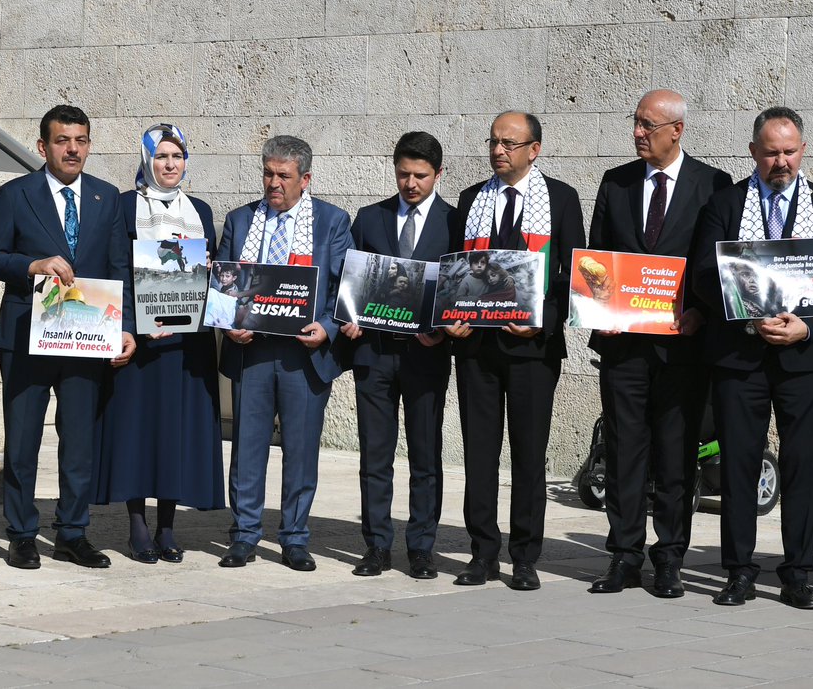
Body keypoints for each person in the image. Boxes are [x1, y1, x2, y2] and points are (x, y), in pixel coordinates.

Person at [691, 106, 813, 609]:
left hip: (806, 357)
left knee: (804, 466)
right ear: (753, 151)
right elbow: (702, 276)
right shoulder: (725, 204)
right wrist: (747, 316)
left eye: (789, 151)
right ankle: (738, 571)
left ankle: (798, 573)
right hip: (740, 355)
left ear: (803, 150)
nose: (781, 161)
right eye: (771, 152)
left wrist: (810, 324)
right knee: (738, 464)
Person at [587, 89, 732, 598]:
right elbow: (598, 256)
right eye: (636, 122)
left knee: (676, 455)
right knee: (623, 452)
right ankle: (624, 556)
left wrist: (701, 312)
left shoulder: (713, 184)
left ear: (677, 130)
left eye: (648, 125)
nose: (638, 133)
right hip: (624, 347)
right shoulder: (617, 181)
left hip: (682, 348)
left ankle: (670, 557)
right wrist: (599, 310)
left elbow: (719, 264)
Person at [0, 104, 135, 571]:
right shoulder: (15, 194)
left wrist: (126, 327)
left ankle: (73, 532)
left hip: (86, 336)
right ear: (43, 146)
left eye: (80, 140)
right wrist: (32, 265)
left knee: (79, 441)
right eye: (62, 140)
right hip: (26, 335)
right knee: (23, 440)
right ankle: (21, 534)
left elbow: (119, 267)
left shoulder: (107, 198)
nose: (73, 149)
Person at [444, 111, 585, 592]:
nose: (498, 150)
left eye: (509, 143)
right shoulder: (471, 199)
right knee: (479, 453)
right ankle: (482, 552)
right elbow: (456, 270)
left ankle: (525, 556)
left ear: (534, 150)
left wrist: (541, 319)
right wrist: (452, 315)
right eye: (493, 142)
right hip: (477, 348)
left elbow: (573, 277)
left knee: (528, 454)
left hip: (532, 350)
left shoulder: (561, 199)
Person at [216, 135, 352, 572]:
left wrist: (328, 327)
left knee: (301, 450)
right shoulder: (240, 220)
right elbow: (222, 283)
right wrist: (228, 321)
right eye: (268, 173)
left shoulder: (331, 222)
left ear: (305, 179)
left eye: (283, 175)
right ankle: (244, 534)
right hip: (252, 352)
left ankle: (294, 537)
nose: (273, 183)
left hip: (303, 356)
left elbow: (343, 287)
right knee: (247, 447)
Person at [93, 123, 224, 564]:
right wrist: (133, 325)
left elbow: (209, 272)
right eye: (162, 156)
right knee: (137, 431)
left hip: (188, 343)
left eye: (177, 156)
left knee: (175, 432)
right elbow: (116, 266)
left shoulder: (200, 210)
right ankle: (137, 526)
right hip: (141, 342)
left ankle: (167, 528)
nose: (170, 164)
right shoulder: (125, 205)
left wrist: (209, 269)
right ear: (147, 160)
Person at [339, 131, 456, 579]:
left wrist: (442, 332)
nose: (411, 183)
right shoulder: (370, 218)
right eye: (403, 174)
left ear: (438, 174)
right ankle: (377, 546)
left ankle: (422, 548)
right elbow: (349, 281)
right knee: (375, 456)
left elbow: (460, 289)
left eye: (420, 176)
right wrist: (348, 317)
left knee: (425, 455)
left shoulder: (455, 221)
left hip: (426, 357)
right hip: (374, 354)